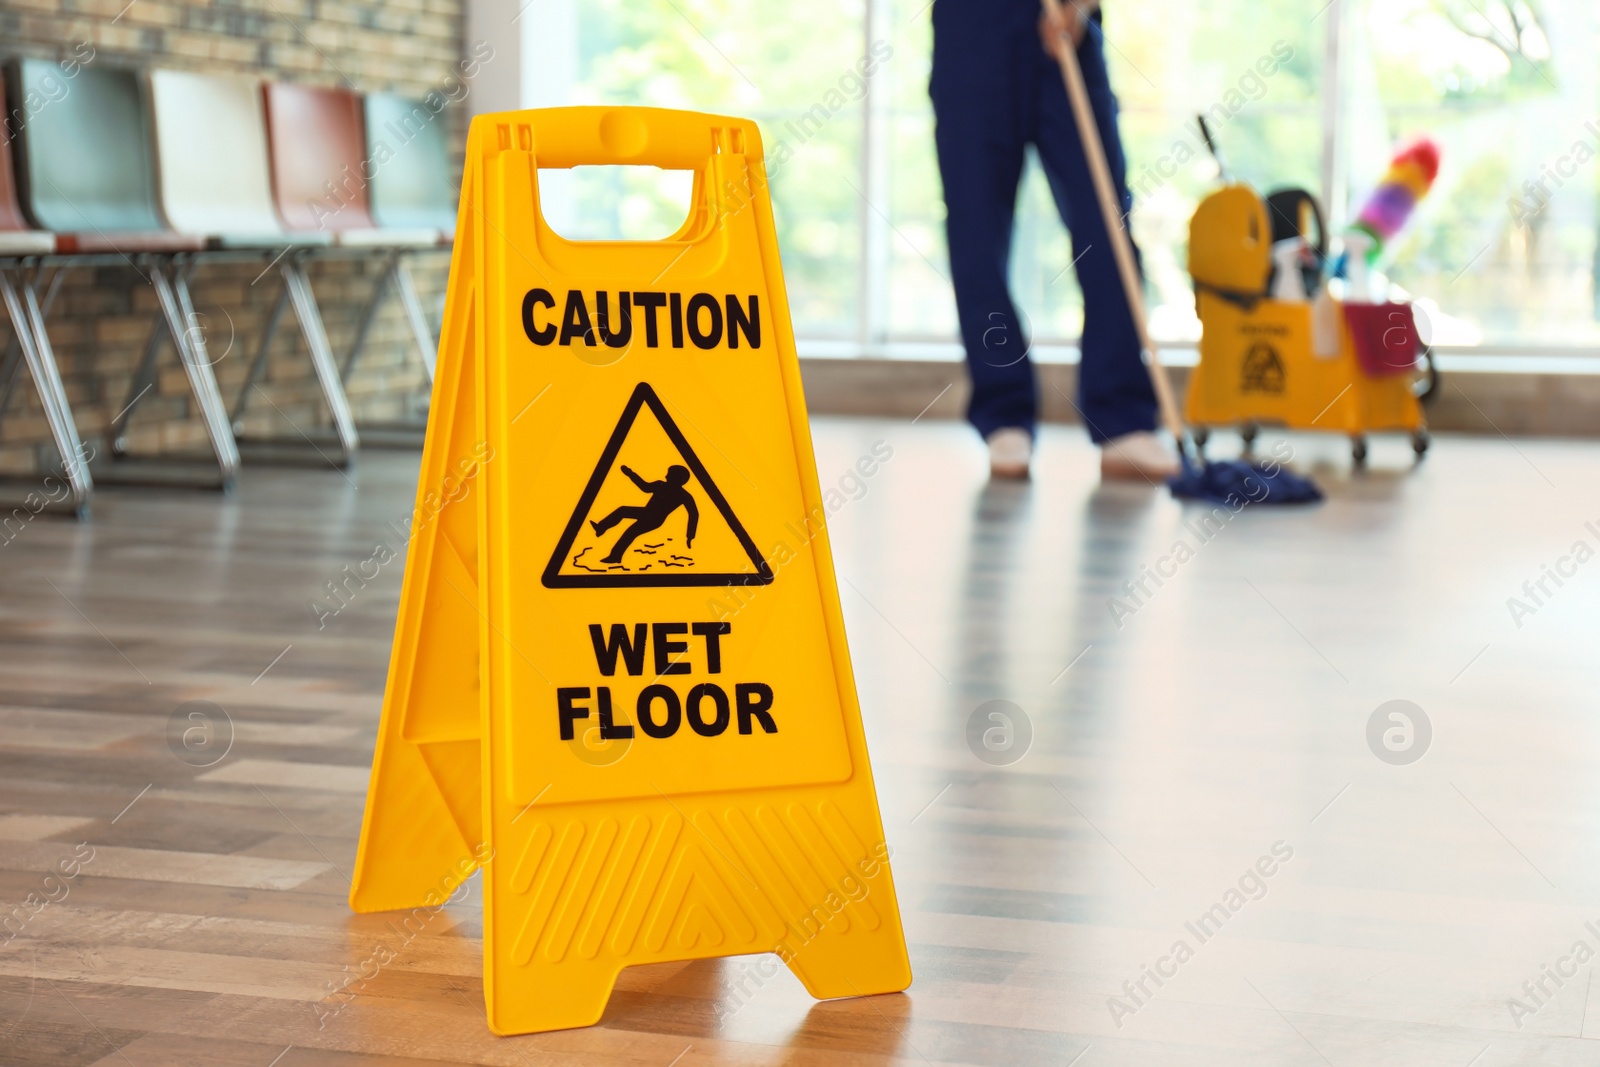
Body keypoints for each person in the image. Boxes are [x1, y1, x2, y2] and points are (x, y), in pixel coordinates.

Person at [930, 0, 1178, 480]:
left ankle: (1123, 416)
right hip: (973, 31)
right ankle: (1004, 409)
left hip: (1069, 29)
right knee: (976, 230)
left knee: (1106, 226)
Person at [591, 464, 699, 564]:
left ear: (677, 478)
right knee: (624, 514)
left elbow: (694, 514)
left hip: (654, 519)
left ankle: (614, 554)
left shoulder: (683, 495)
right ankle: (603, 531)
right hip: (646, 513)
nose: (666, 476)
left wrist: (690, 536)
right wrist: (630, 474)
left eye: (669, 474)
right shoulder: (660, 485)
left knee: (629, 531)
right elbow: (645, 487)